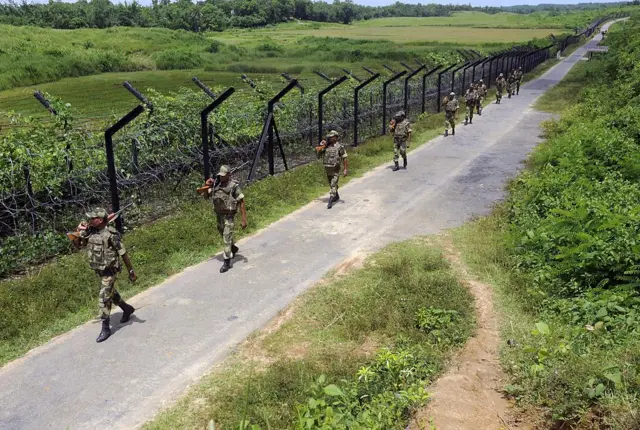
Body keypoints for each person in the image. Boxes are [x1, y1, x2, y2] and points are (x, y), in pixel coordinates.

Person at [73, 208, 137, 343]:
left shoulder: (111, 234)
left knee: (103, 297)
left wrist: (131, 271)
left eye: (92, 218)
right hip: (100, 270)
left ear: (100, 220)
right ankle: (127, 309)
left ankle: (105, 327)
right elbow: (77, 246)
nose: (89, 220)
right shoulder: (90, 232)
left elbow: (123, 253)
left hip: (110, 271)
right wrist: (78, 232)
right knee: (111, 294)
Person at [207, 165, 248, 273]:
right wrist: (207, 186)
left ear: (229, 175)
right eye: (220, 175)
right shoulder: (217, 184)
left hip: (229, 216)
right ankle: (233, 248)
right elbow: (207, 195)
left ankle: (227, 263)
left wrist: (244, 219)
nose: (221, 177)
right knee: (223, 234)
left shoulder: (234, 186)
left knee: (226, 238)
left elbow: (241, 202)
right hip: (219, 216)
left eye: (224, 176)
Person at [315, 130, 348, 209]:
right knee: (331, 183)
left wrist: (345, 169)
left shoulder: (339, 147)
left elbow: (345, 157)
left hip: (335, 169)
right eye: (329, 137)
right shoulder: (326, 146)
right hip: (328, 168)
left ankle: (331, 199)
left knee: (333, 184)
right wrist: (321, 145)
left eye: (332, 137)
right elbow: (318, 154)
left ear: (336, 137)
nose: (330, 138)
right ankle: (336, 196)